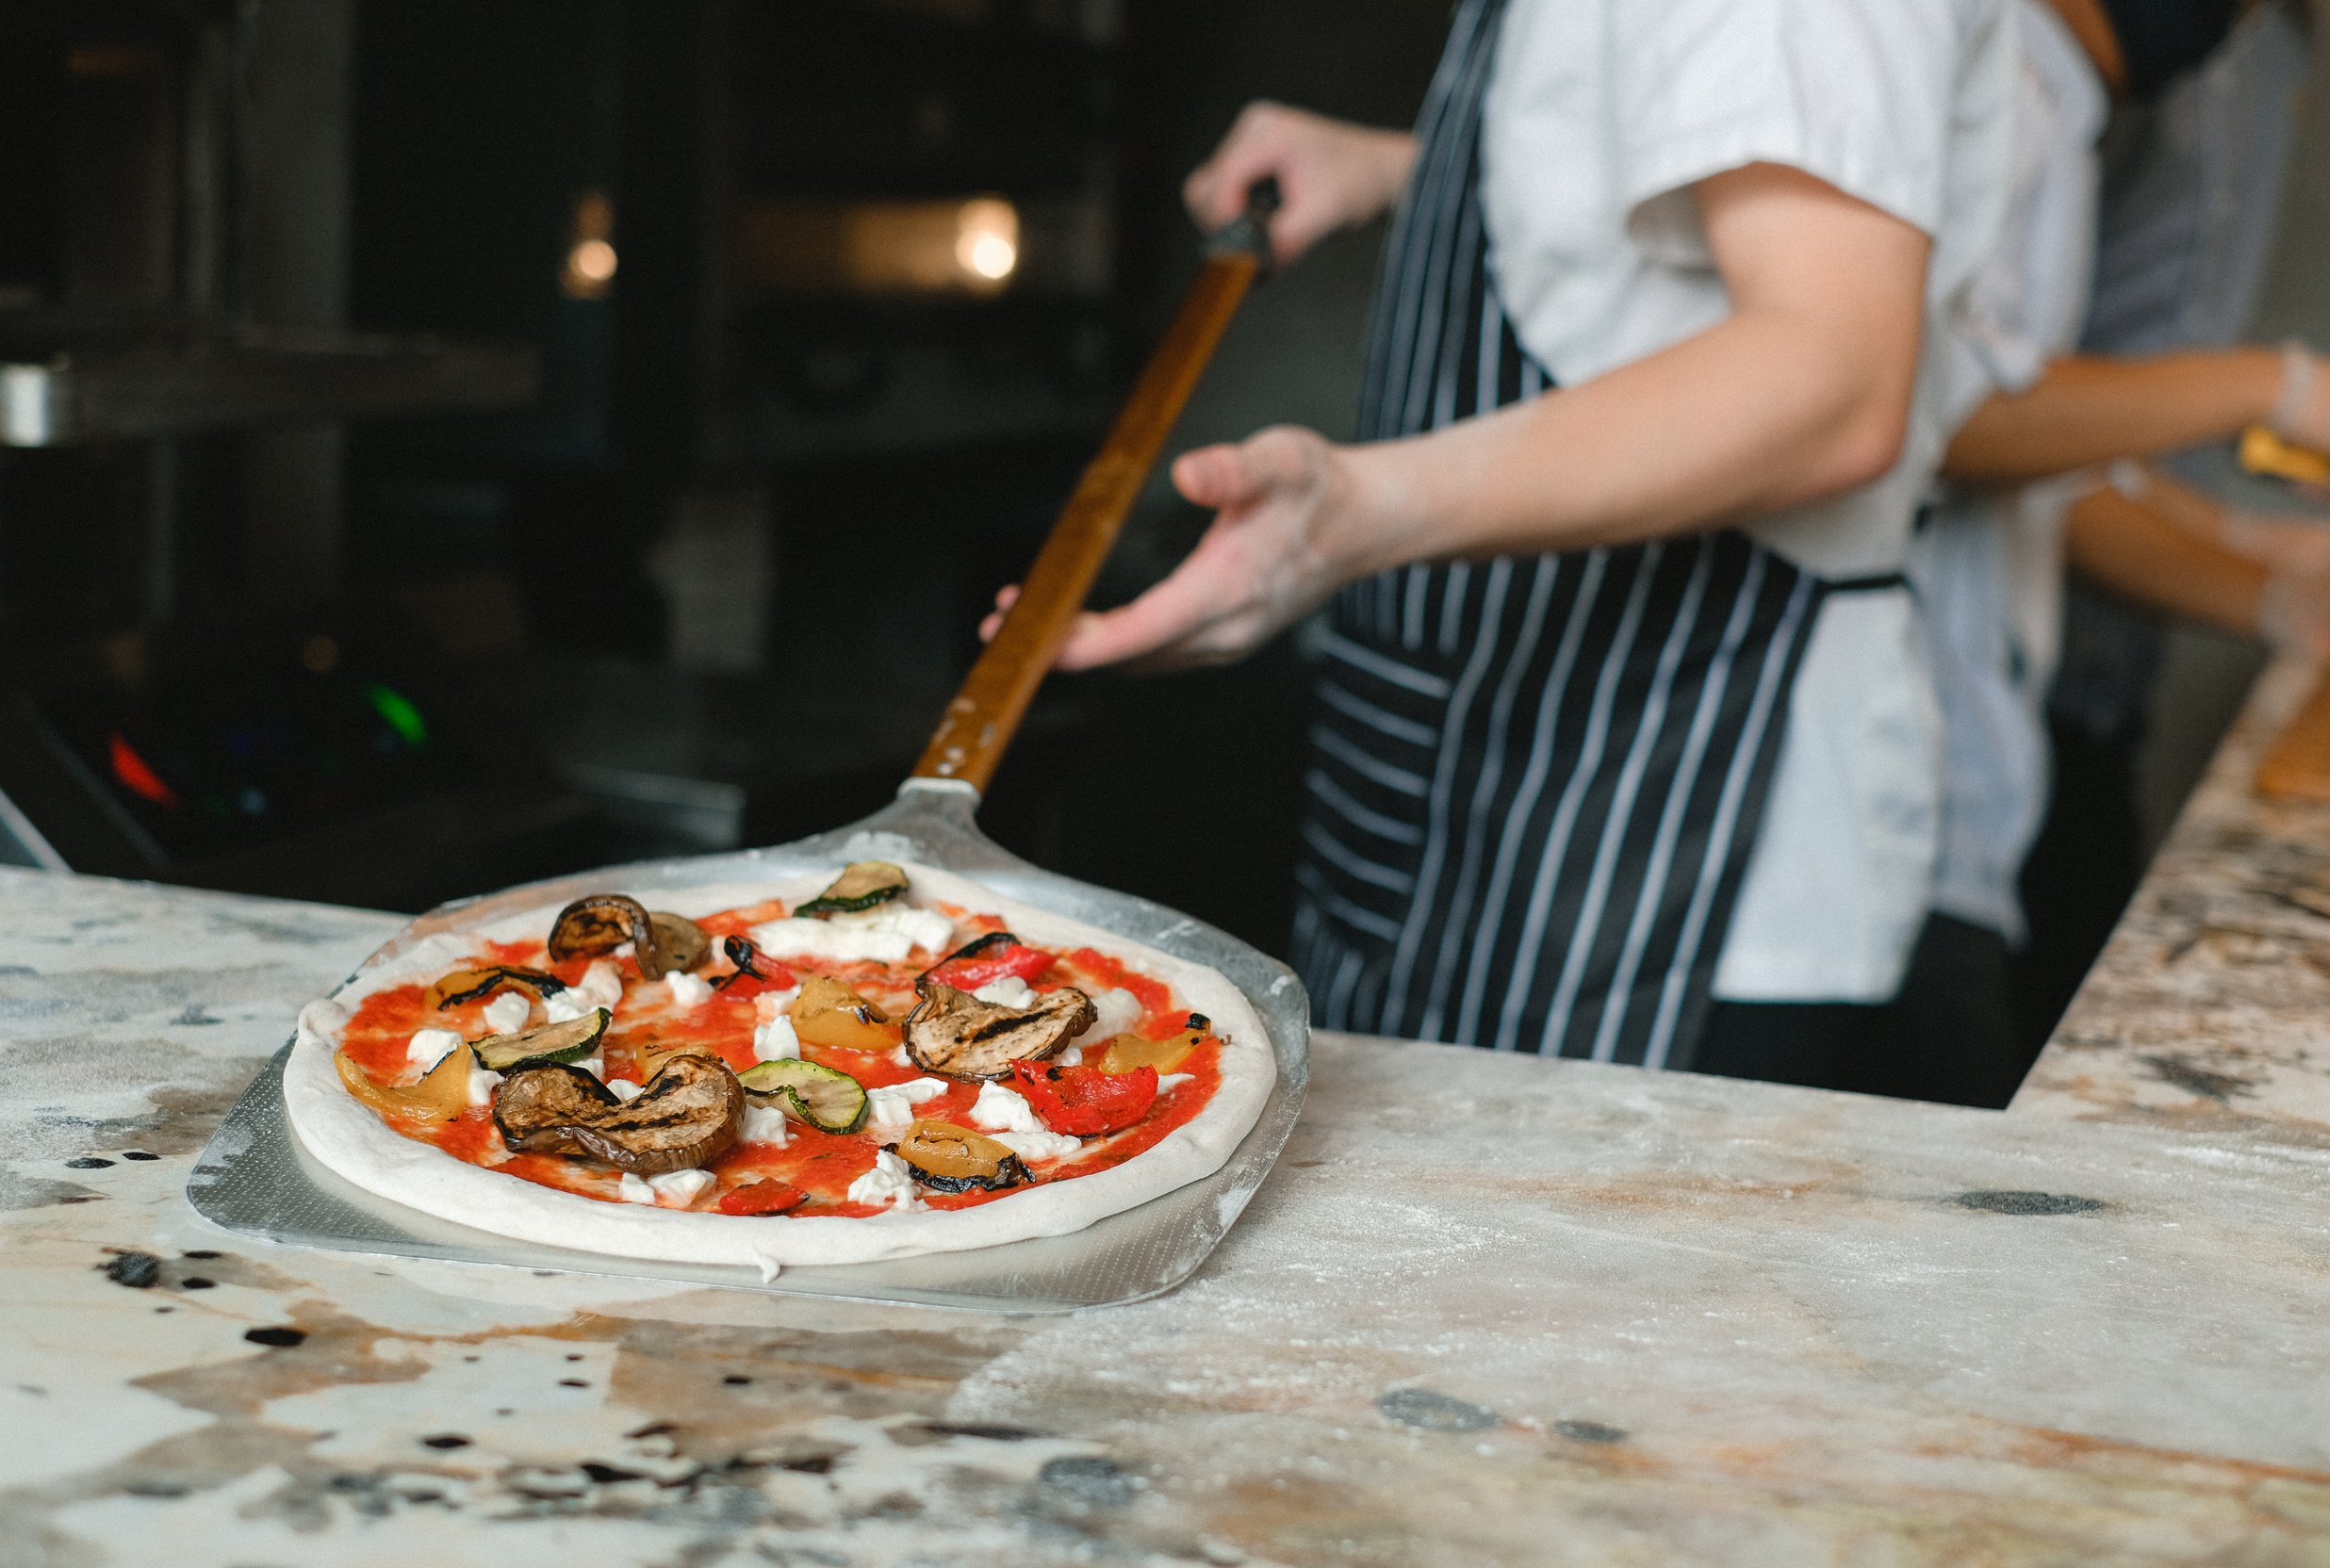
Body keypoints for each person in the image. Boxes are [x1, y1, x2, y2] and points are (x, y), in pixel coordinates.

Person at [989, 0, 2014, 1082]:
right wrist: (1412, 170)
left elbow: (1835, 379)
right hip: (1483, 773)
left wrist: (1345, 515)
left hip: (1664, 827)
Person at [1860, 0, 2330, 1108]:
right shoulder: (2003, 76)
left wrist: (2272, 578)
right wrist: (2280, 388)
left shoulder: (2070, 101)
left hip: (1980, 762)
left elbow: (2051, 437)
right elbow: (1949, 411)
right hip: (1899, 803)